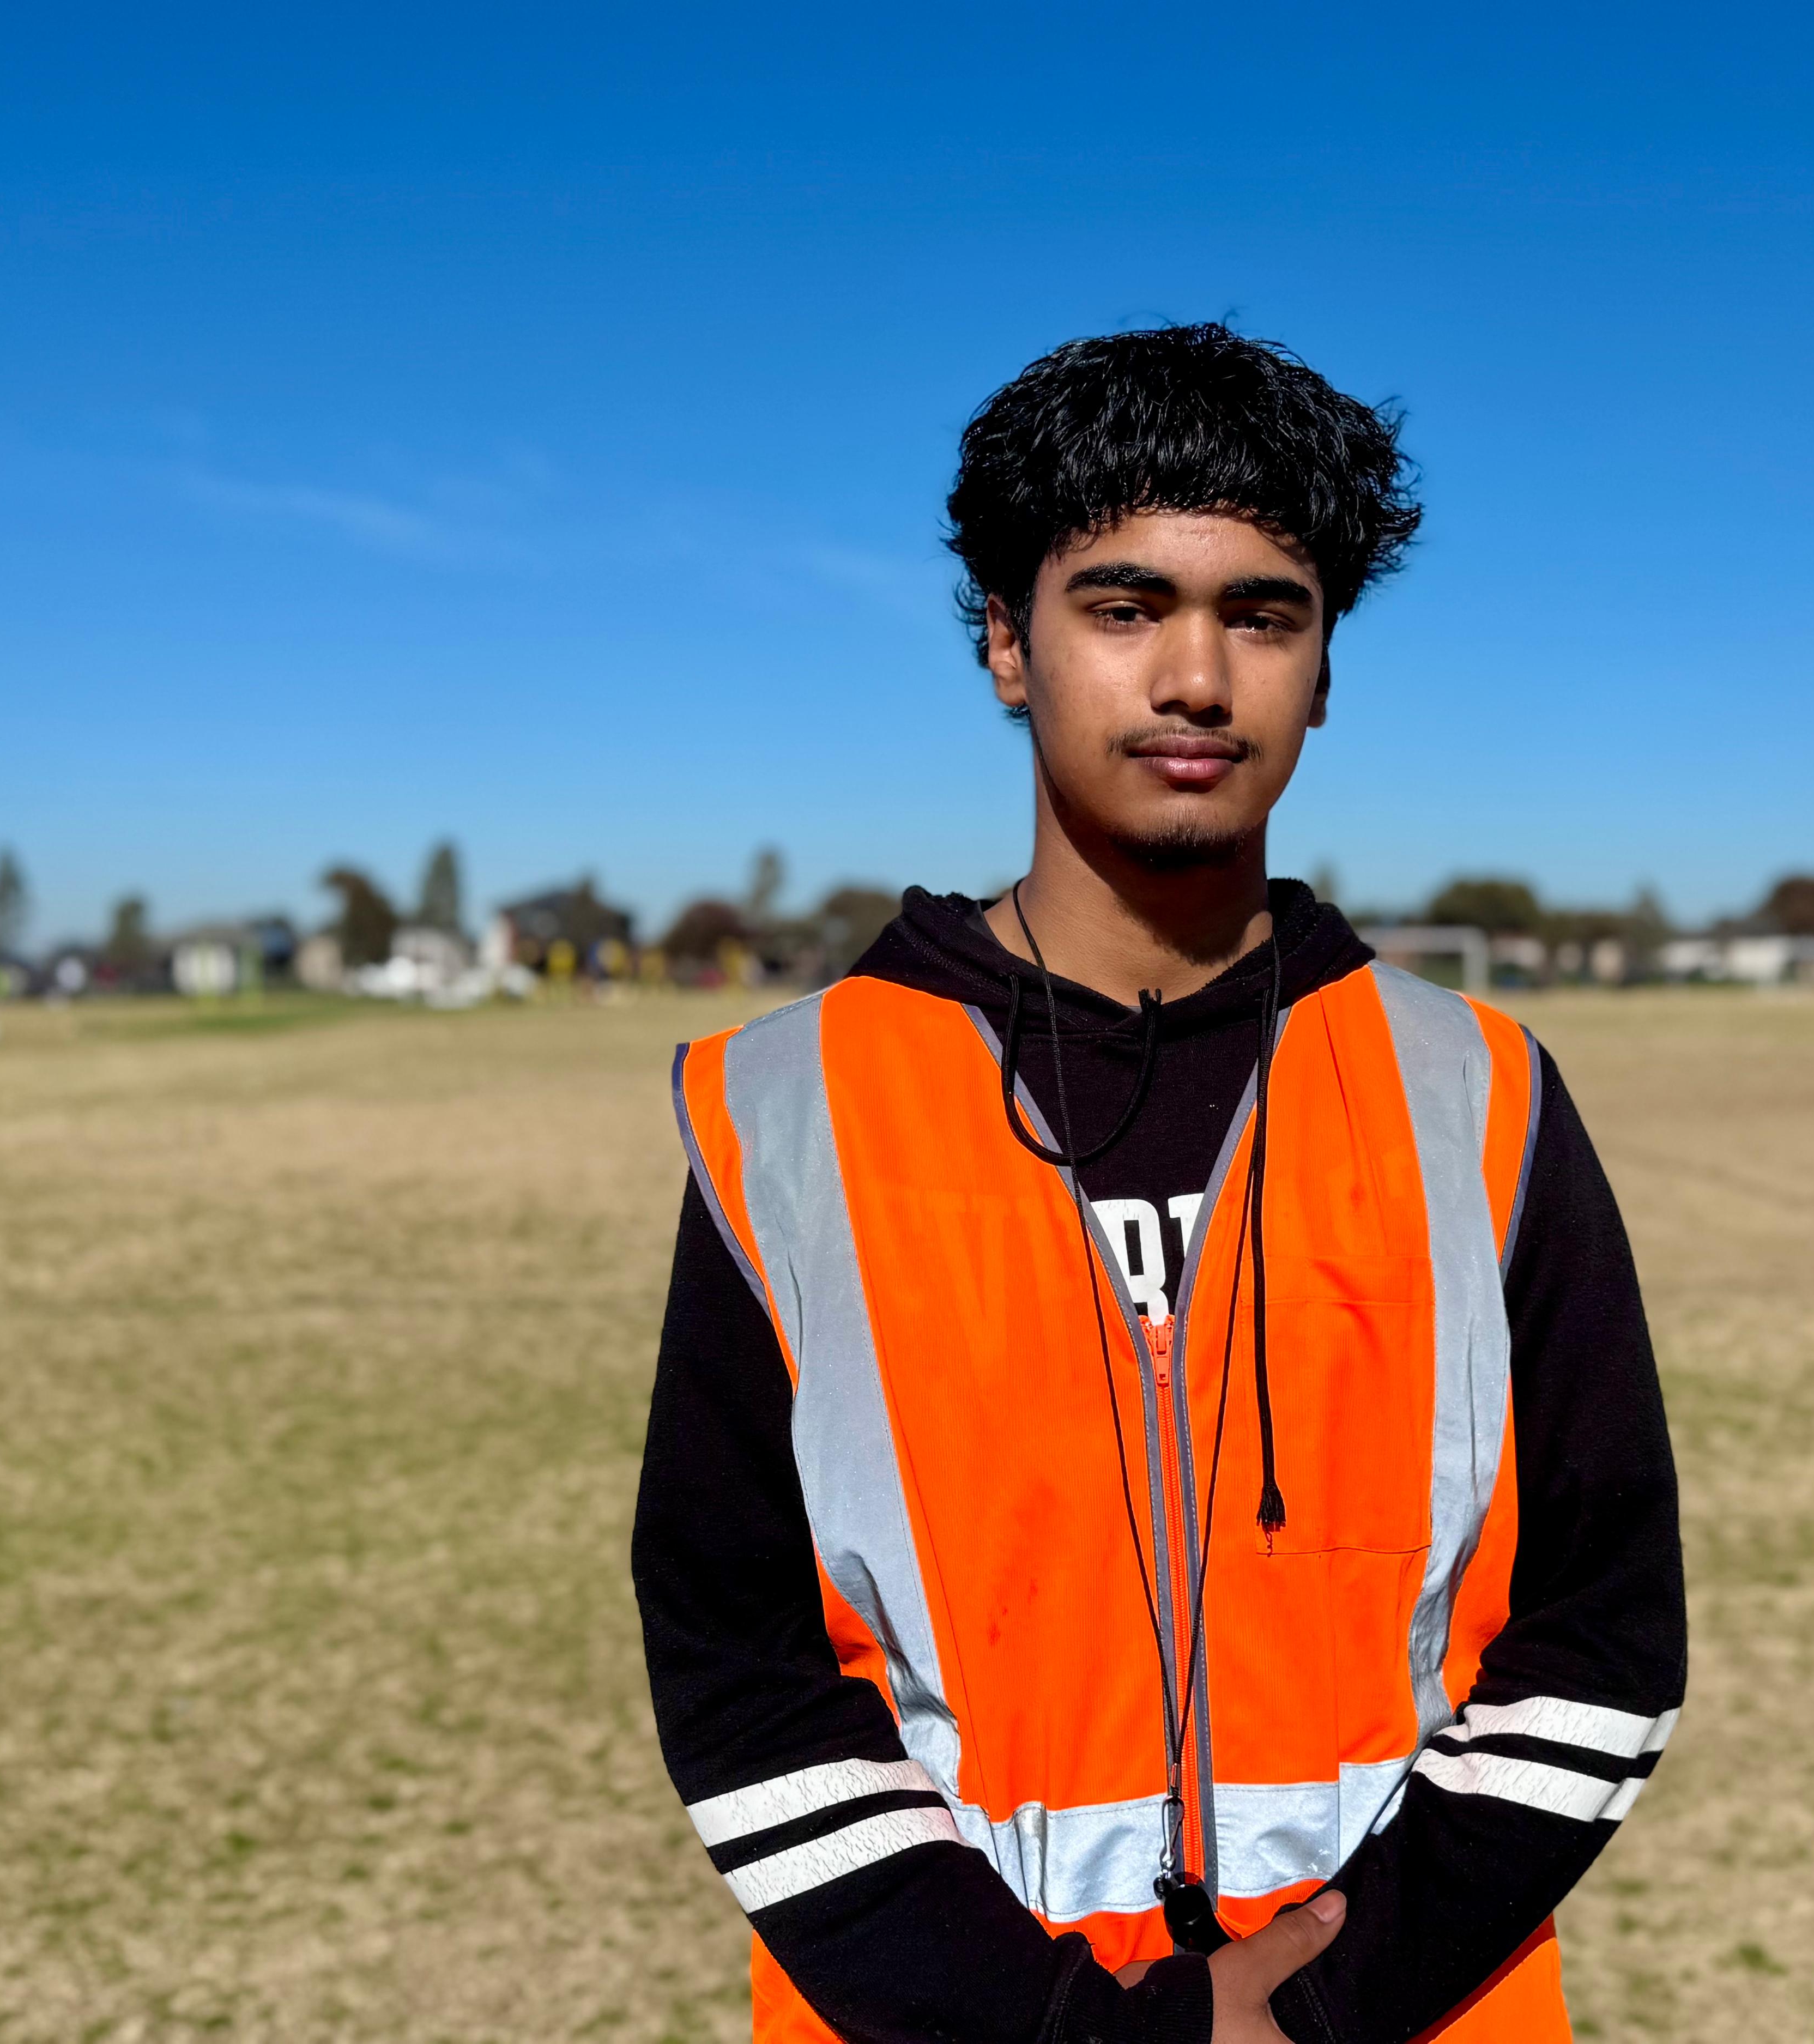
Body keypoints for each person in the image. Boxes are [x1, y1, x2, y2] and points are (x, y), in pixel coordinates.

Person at [632, 325, 1685, 2044]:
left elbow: (1603, 1630)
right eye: (1121, 607)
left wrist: (1317, 2006)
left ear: (1324, 666)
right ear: (1004, 643)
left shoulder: (1473, 1093)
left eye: (1260, 612)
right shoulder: (788, 1108)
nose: (1194, 677)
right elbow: (736, 1666)